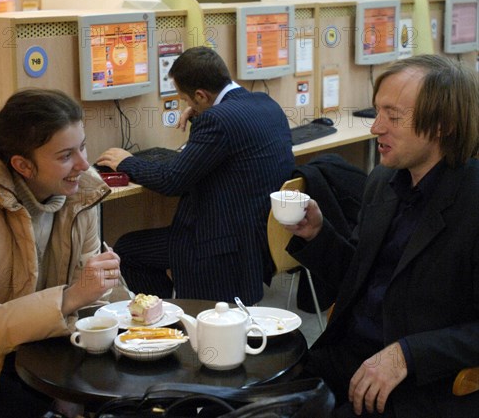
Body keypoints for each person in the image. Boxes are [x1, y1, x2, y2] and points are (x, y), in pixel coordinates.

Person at [283, 54, 479, 417]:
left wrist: (408, 354)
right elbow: (356, 282)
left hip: (418, 385)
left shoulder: (471, 200)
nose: (375, 128)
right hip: (348, 357)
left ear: (442, 125)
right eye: (377, 113)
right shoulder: (383, 182)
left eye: (393, 116)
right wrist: (318, 235)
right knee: (239, 396)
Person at [0, 89, 121, 418]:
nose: (84, 164)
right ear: (22, 165)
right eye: (65, 156)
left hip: (56, 351)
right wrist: (70, 297)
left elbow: (93, 303)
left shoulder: (81, 193)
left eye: (83, 146)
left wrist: (116, 296)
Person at [96, 46, 294, 305]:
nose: (186, 105)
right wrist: (205, 111)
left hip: (218, 245)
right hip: (260, 236)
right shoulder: (265, 104)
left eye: (187, 100)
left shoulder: (218, 121)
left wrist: (127, 162)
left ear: (201, 95)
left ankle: (168, 319)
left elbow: (171, 181)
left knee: (127, 250)